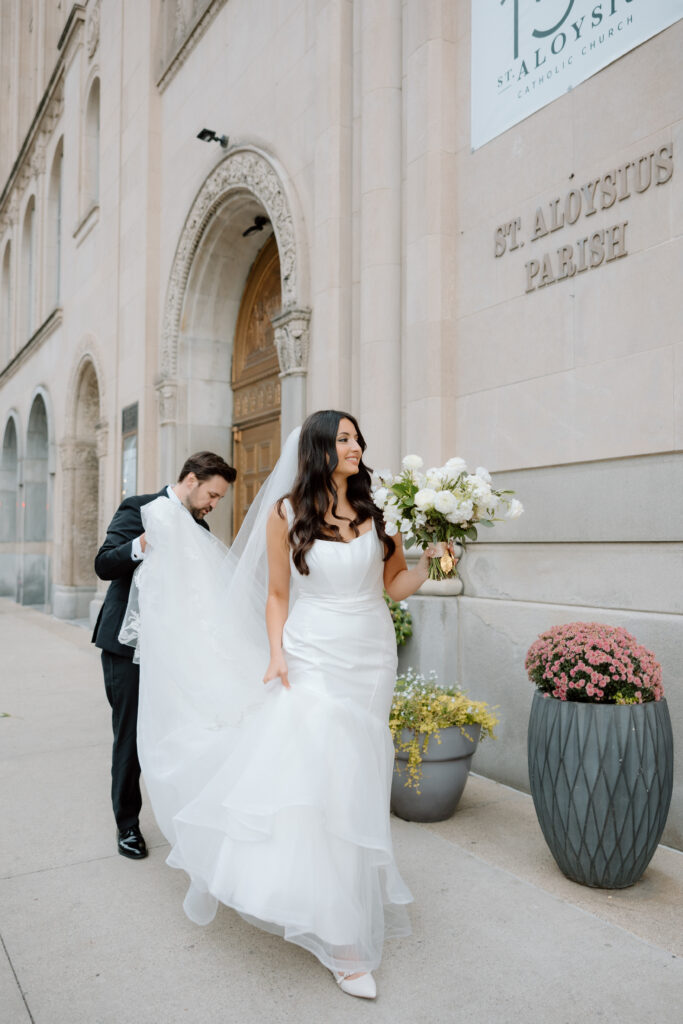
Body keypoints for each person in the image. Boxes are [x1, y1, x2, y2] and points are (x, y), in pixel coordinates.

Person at [123, 412, 452, 999]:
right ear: (322, 448)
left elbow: (391, 585)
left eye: (358, 438)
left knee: (357, 776)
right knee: (322, 777)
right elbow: (277, 594)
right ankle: (343, 940)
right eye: (345, 438)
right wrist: (276, 653)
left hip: (370, 657)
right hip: (312, 656)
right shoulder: (286, 515)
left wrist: (430, 565)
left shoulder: (380, 513)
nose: (357, 446)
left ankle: (347, 893)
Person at [92, 451, 236, 859]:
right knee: (131, 737)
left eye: (219, 499)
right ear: (191, 480)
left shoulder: (199, 527)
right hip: (128, 646)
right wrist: (142, 543)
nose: (213, 504)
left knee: (175, 732)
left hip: (176, 650)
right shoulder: (139, 509)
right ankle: (127, 826)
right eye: (212, 494)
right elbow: (104, 564)